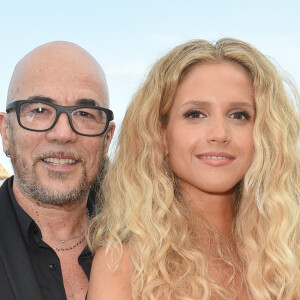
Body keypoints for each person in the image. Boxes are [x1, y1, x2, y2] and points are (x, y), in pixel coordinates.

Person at [88, 38, 300, 300]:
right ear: (161, 135)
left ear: (265, 135)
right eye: (195, 114)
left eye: (239, 115)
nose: (220, 134)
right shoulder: (122, 265)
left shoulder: (290, 257)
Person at [0, 41, 115, 300]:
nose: (63, 134)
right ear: (6, 132)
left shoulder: (148, 249)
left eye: (84, 114)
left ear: (107, 138)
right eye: (39, 110)